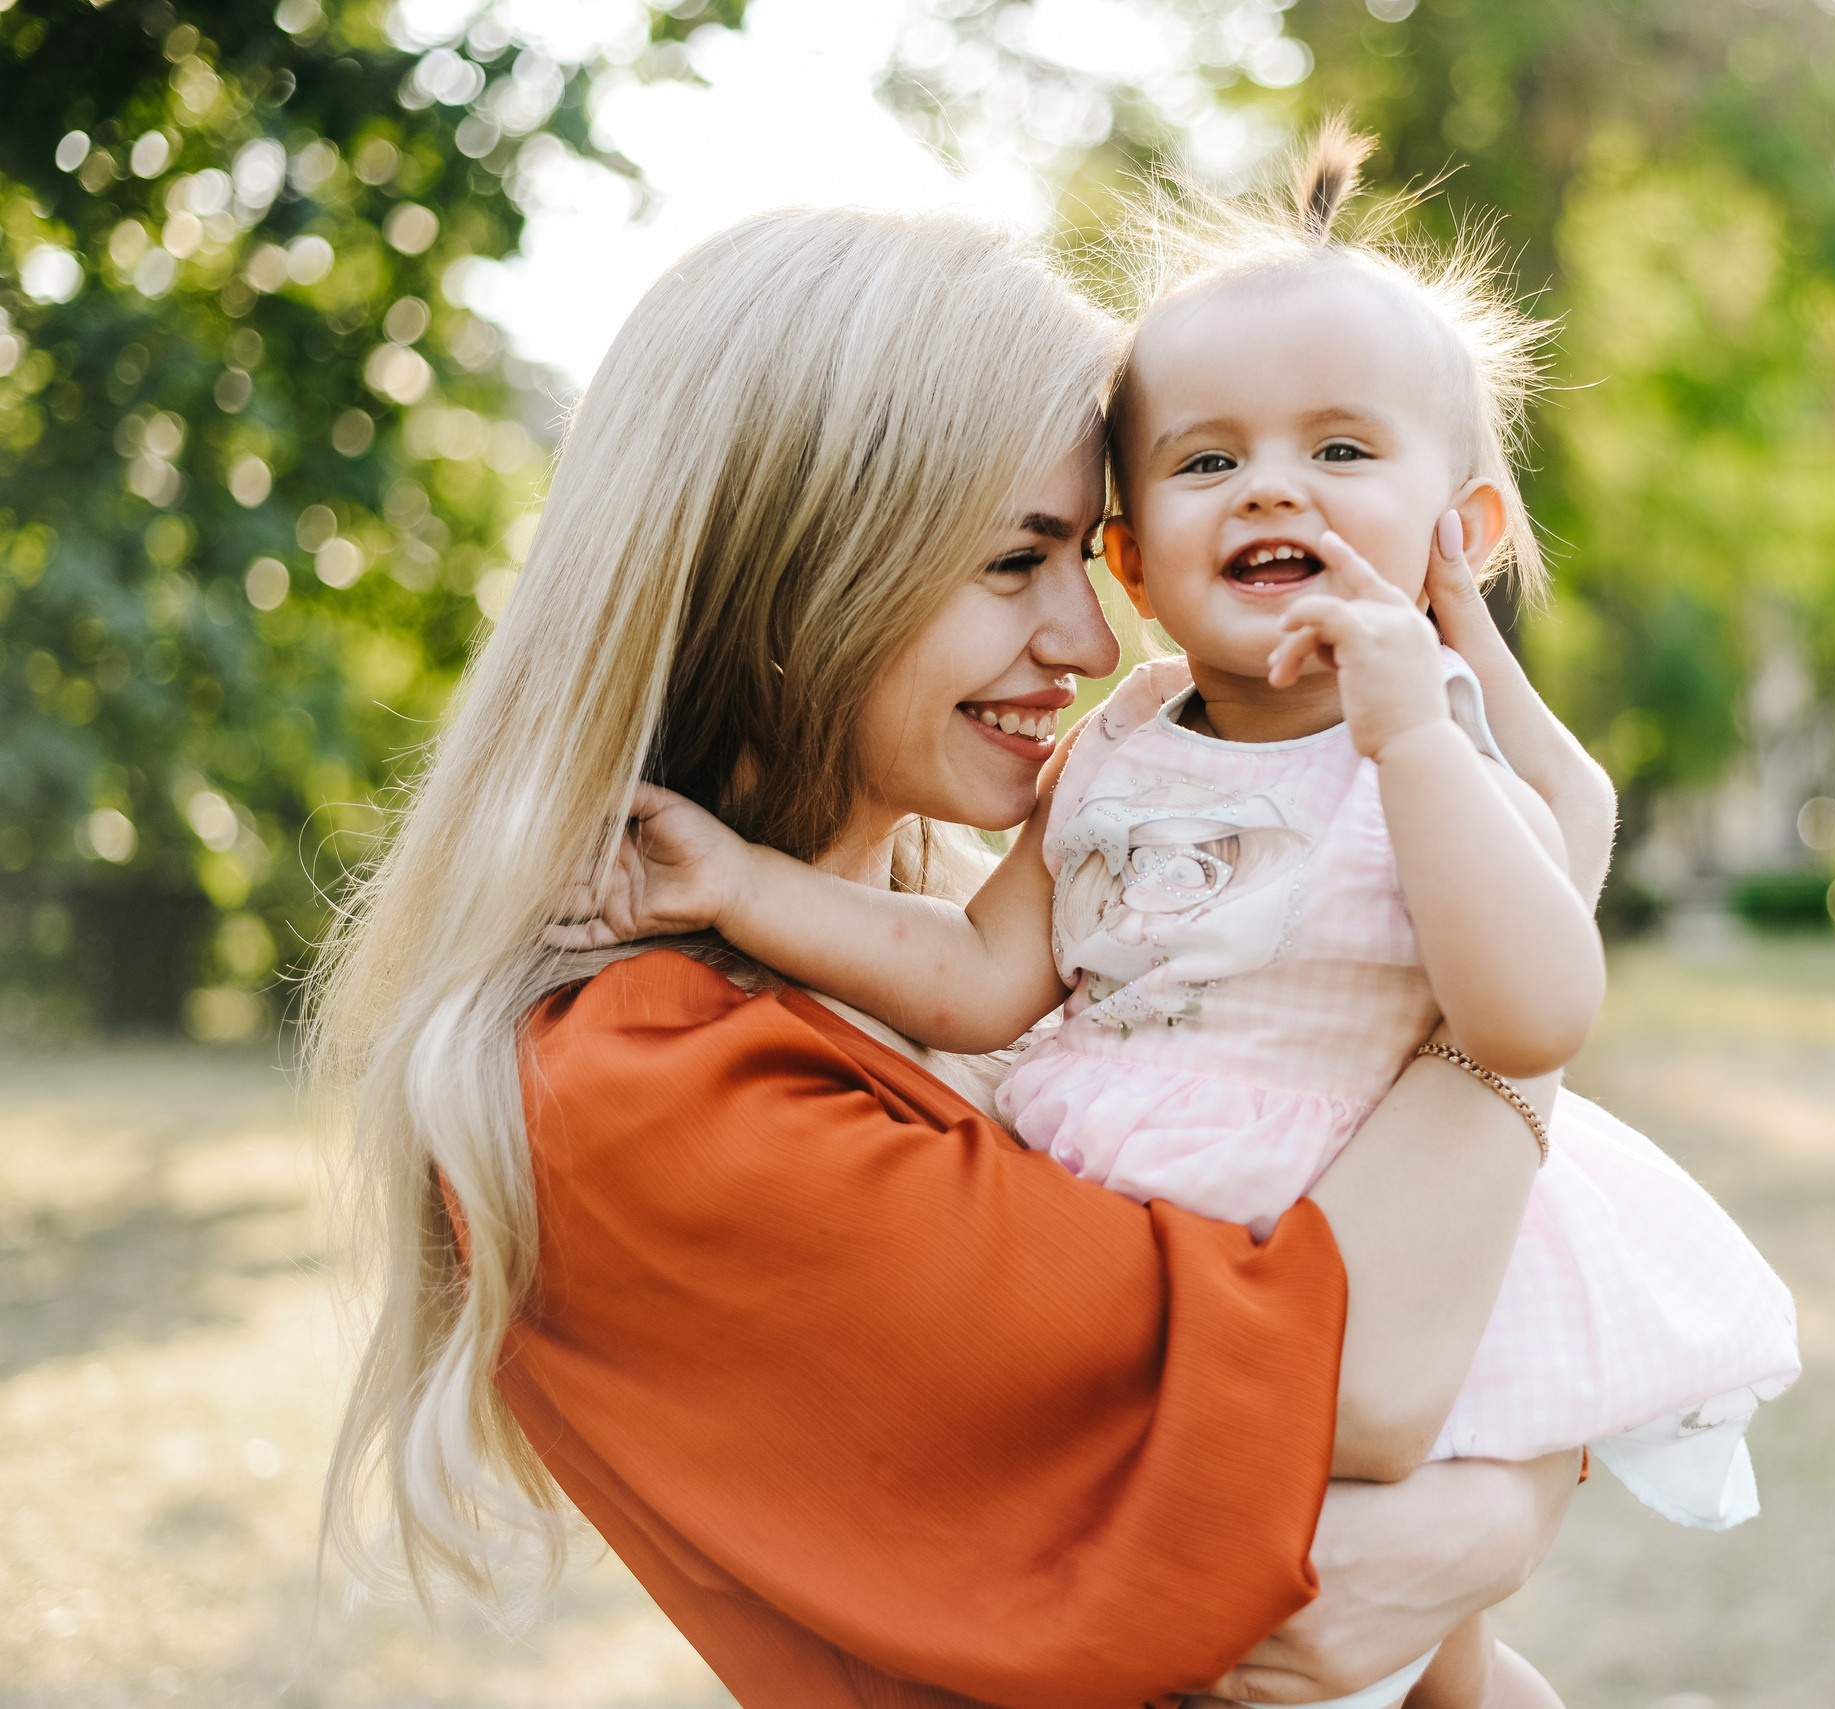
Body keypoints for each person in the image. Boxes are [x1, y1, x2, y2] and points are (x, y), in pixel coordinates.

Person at [550, 132, 1801, 1709]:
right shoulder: (1095, 775)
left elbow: (1534, 1018)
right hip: (1257, 1249)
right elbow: (991, 985)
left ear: (1460, 535)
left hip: (1334, 1187)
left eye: (1345, 453)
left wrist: (1440, 751)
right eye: (1202, 466)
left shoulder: (1424, 752)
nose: (1077, 636)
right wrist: (733, 881)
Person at [309, 207, 1613, 1707]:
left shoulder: (926, 946)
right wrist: (1524, 962)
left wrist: (1490, 1515)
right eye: (1017, 559)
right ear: (800, 569)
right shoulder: (631, 1077)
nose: (1090, 634)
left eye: (1086, 554)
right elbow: (1352, 1385)